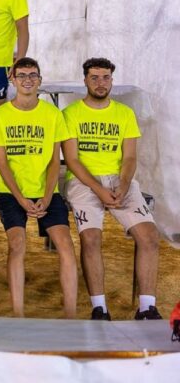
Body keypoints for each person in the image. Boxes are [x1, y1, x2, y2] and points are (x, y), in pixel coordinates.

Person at [62, 58, 161, 320]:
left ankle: (147, 307)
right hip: (84, 181)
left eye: (105, 77)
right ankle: (100, 308)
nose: (100, 82)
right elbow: (72, 160)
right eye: (94, 77)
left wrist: (124, 184)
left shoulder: (124, 114)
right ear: (85, 80)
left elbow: (129, 158)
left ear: (111, 80)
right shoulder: (70, 114)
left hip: (119, 180)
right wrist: (99, 190)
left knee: (150, 236)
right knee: (91, 238)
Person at [0, 57, 77, 318]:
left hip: (46, 191)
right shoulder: (0, 116)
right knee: (17, 244)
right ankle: (18, 314)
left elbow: (53, 161)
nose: (27, 80)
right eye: (21, 75)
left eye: (32, 75)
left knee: (65, 245)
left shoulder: (52, 114)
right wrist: (21, 198)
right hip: (11, 192)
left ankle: (70, 314)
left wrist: (47, 196)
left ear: (40, 80)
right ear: (12, 79)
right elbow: (1, 163)